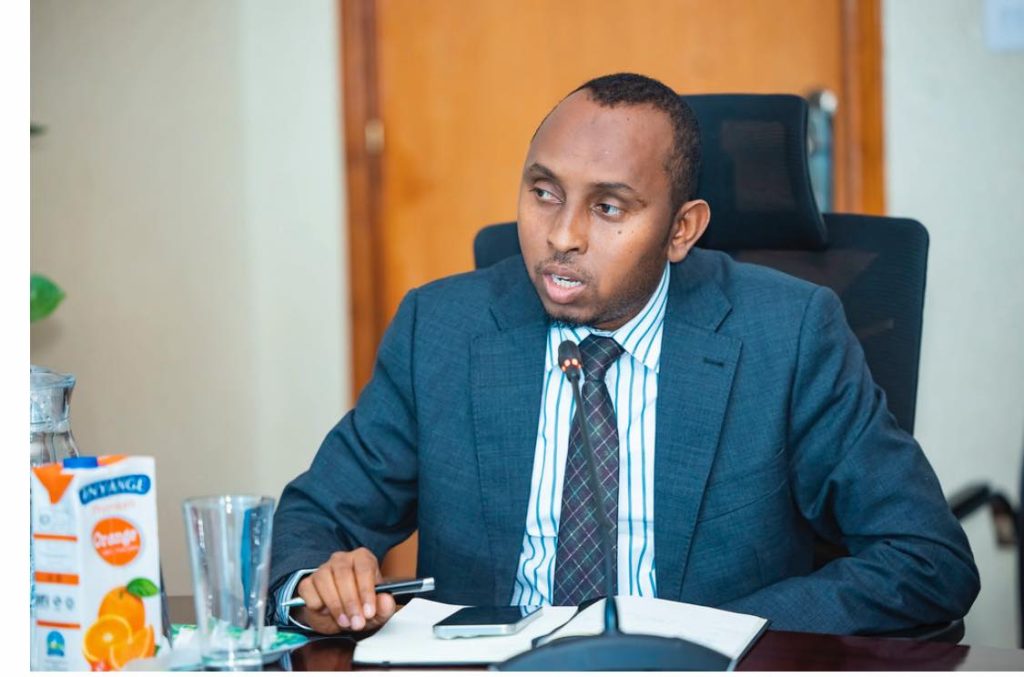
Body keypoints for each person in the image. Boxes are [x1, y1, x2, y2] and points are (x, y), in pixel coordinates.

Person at [269, 73, 979, 636]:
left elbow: (926, 559)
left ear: (681, 230)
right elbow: (314, 519)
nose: (562, 235)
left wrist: (717, 637)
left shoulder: (787, 335)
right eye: (544, 192)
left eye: (608, 207)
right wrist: (312, 587)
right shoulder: (442, 328)